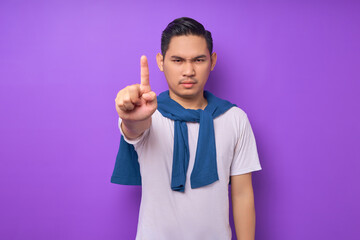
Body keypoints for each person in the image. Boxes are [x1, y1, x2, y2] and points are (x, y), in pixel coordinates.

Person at [111, 17, 262, 240]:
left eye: (198, 60)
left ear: (212, 61)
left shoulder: (235, 119)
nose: (189, 71)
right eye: (178, 60)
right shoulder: (147, 114)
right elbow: (134, 129)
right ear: (161, 62)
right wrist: (131, 119)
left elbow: (242, 194)